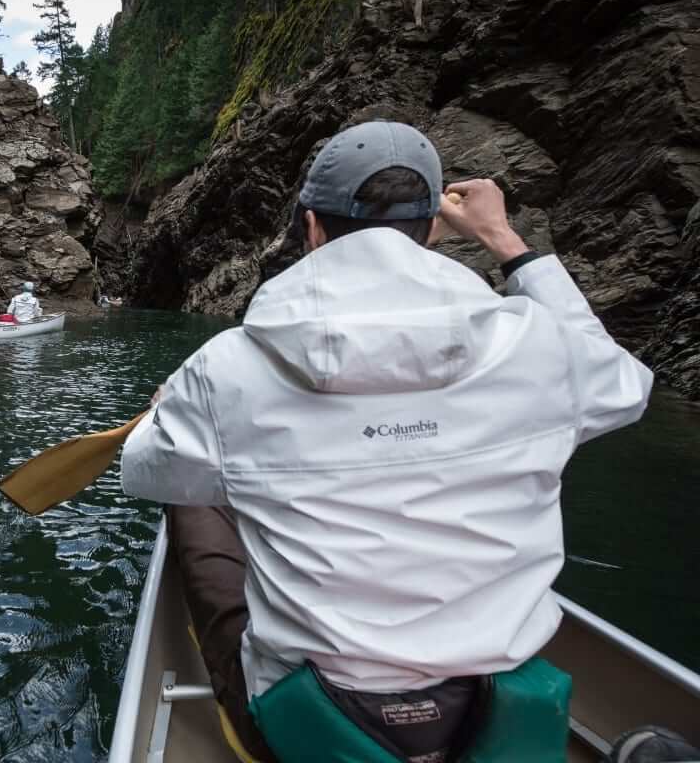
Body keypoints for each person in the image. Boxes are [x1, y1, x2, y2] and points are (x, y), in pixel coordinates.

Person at [120, 121, 653, 762]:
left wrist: (162, 416)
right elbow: (624, 390)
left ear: (312, 227)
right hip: (498, 706)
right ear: (432, 231)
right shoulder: (542, 345)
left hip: (316, 717)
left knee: (195, 502)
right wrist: (505, 240)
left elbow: (145, 473)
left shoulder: (224, 367)